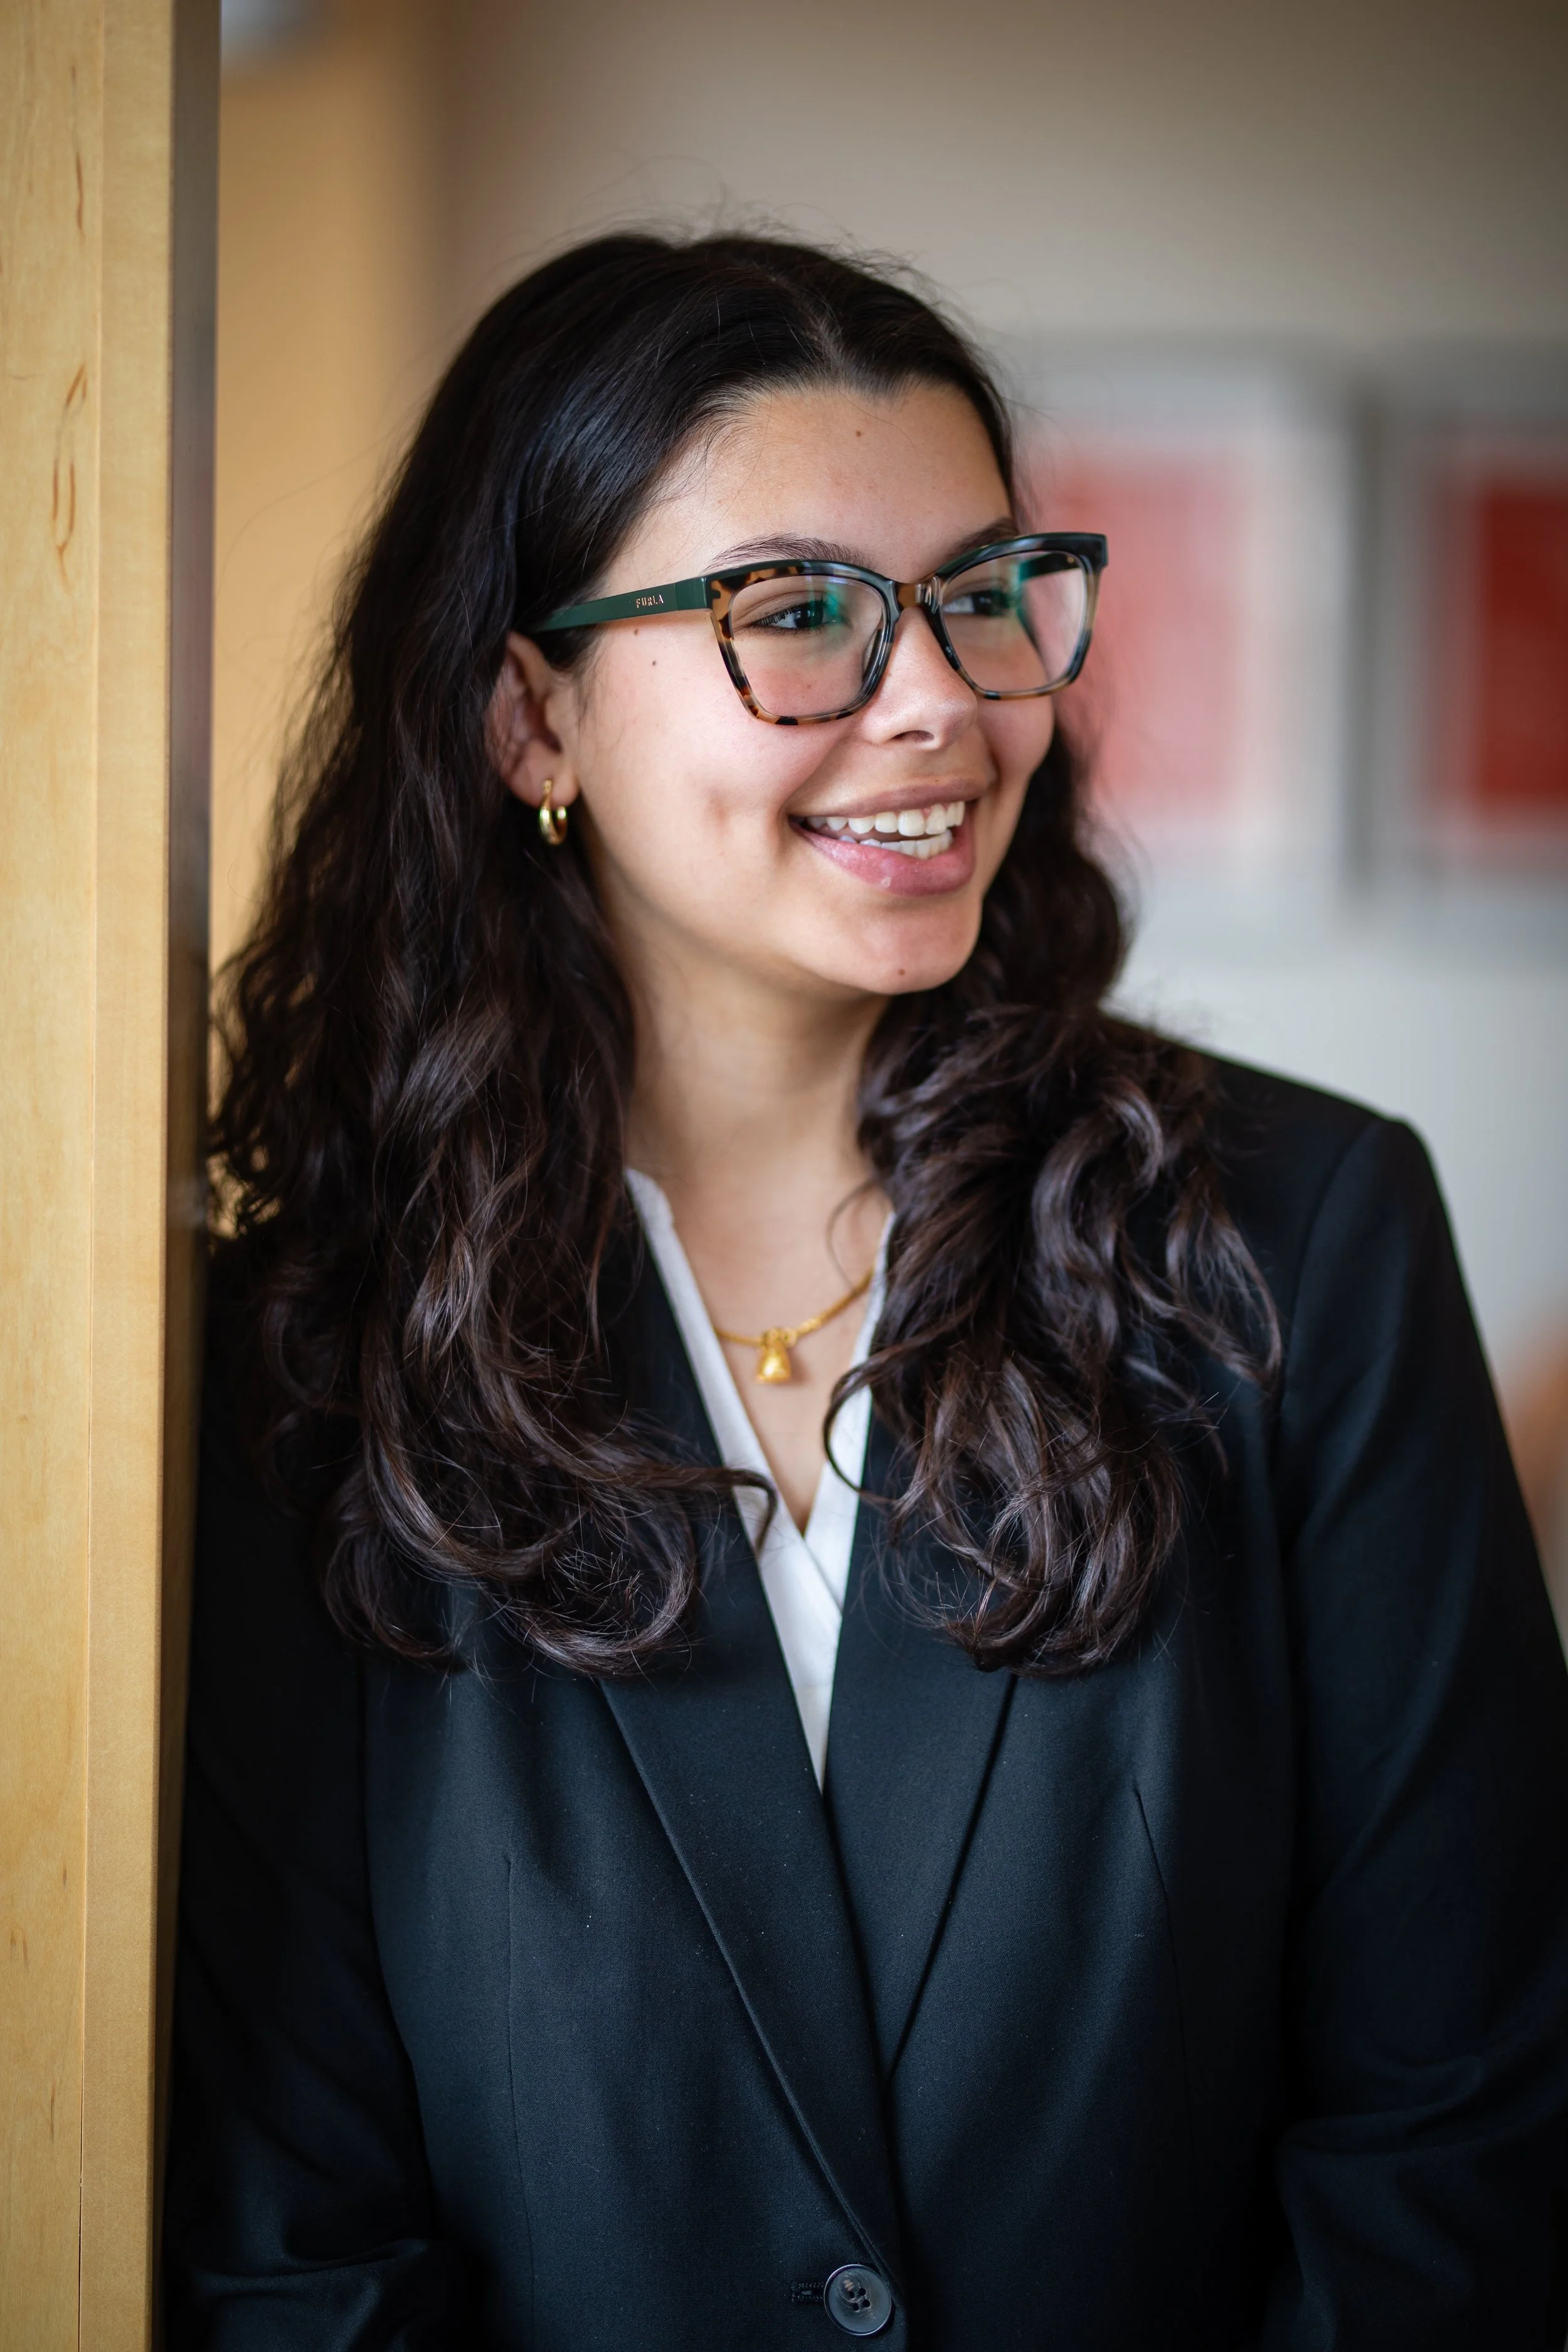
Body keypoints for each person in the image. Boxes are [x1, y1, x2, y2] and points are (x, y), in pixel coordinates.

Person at [164, 233, 1568, 2351]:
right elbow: (293, 2238)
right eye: (796, 614)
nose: (941, 697)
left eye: (985, 594)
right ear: (528, 709)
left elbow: (1458, 2127)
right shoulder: (307, 1355)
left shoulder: (1300, 1239)